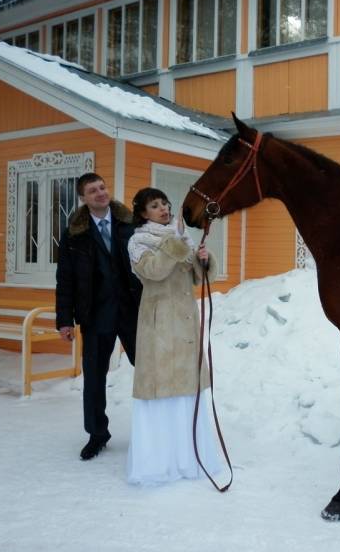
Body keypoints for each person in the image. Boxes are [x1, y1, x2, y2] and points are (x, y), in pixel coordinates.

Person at [126, 187, 222, 485]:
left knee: (186, 391)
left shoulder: (181, 237)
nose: (164, 209)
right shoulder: (139, 241)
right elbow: (153, 271)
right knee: (161, 389)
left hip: (185, 322)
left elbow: (196, 277)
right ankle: (159, 463)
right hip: (159, 324)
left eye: (165, 203)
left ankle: (189, 458)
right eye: (155, 205)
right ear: (143, 213)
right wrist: (175, 244)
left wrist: (202, 260)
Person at [56, 172, 142, 461]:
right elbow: (65, 279)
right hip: (95, 316)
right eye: (93, 190)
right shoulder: (73, 234)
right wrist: (64, 319)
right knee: (94, 378)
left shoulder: (130, 224)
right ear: (83, 198)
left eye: (102, 187)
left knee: (149, 372)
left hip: (133, 312)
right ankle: (97, 434)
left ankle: (154, 428)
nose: (101, 193)